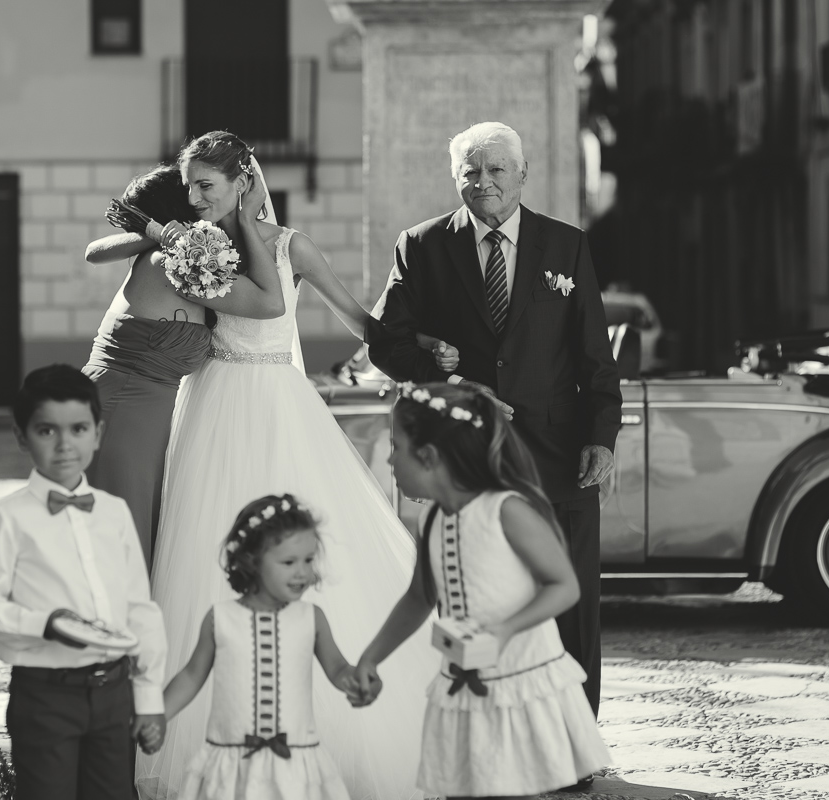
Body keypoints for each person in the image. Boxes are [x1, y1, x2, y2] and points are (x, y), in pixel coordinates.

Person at [131, 130, 444, 800]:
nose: (194, 199)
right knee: (204, 547)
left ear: (241, 181)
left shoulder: (289, 246)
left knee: (310, 546)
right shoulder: (193, 248)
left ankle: (327, 720)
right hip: (213, 402)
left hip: (279, 401)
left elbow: (360, 319)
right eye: (189, 187)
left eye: (205, 186)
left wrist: (422, 354)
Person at [368, 122, 622, 749]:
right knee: (483, 597)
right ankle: (499, 739)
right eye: (470, 172)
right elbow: (385, 342)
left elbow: (594, 353)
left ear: (522, 174)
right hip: (472, 460)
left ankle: (576, 744)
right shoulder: (422, 246)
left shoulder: (567, 246)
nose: (482, 183)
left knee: (573, 602)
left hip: (562, 456)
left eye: (495, 171)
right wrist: (441, 374)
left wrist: (604, 435)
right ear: (456, 177)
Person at [355, 382, 610, 798]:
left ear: (430, 457)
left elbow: (563, 586)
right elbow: (420, 597)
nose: (389, 459)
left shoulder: (506, 510)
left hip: (518, 685)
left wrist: (505, 630)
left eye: (396, 447)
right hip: (464, 682)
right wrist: (372, 657)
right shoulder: (433, 518)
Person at [0, 365, 168, 800]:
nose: (65, 444)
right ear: (23, 437)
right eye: (47, 431)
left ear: (98, 432)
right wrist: (45, 622)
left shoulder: (113, 512)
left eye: (78, 428)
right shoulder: (7, 517)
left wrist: (148, 700)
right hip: (45, 695)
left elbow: (139, 608)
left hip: (114, 693)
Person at [82, 164, 284, 566]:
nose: (199, 198)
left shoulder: (170, 253)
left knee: (138, 529)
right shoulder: (173, 262)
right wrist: (243, 218)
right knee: (123, 537)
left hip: (141, 409)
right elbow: (269, 304)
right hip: (124, 407)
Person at [159, 494, 359, 800]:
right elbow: (190, 676)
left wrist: (354, 682)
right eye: (289, 562)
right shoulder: (221, 619)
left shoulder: (311, 618)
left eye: (308, 560)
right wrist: (156, 714)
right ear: (251, 561)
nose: (302, 572)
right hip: (232, 766)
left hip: (295, 766)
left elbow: (338, 667)